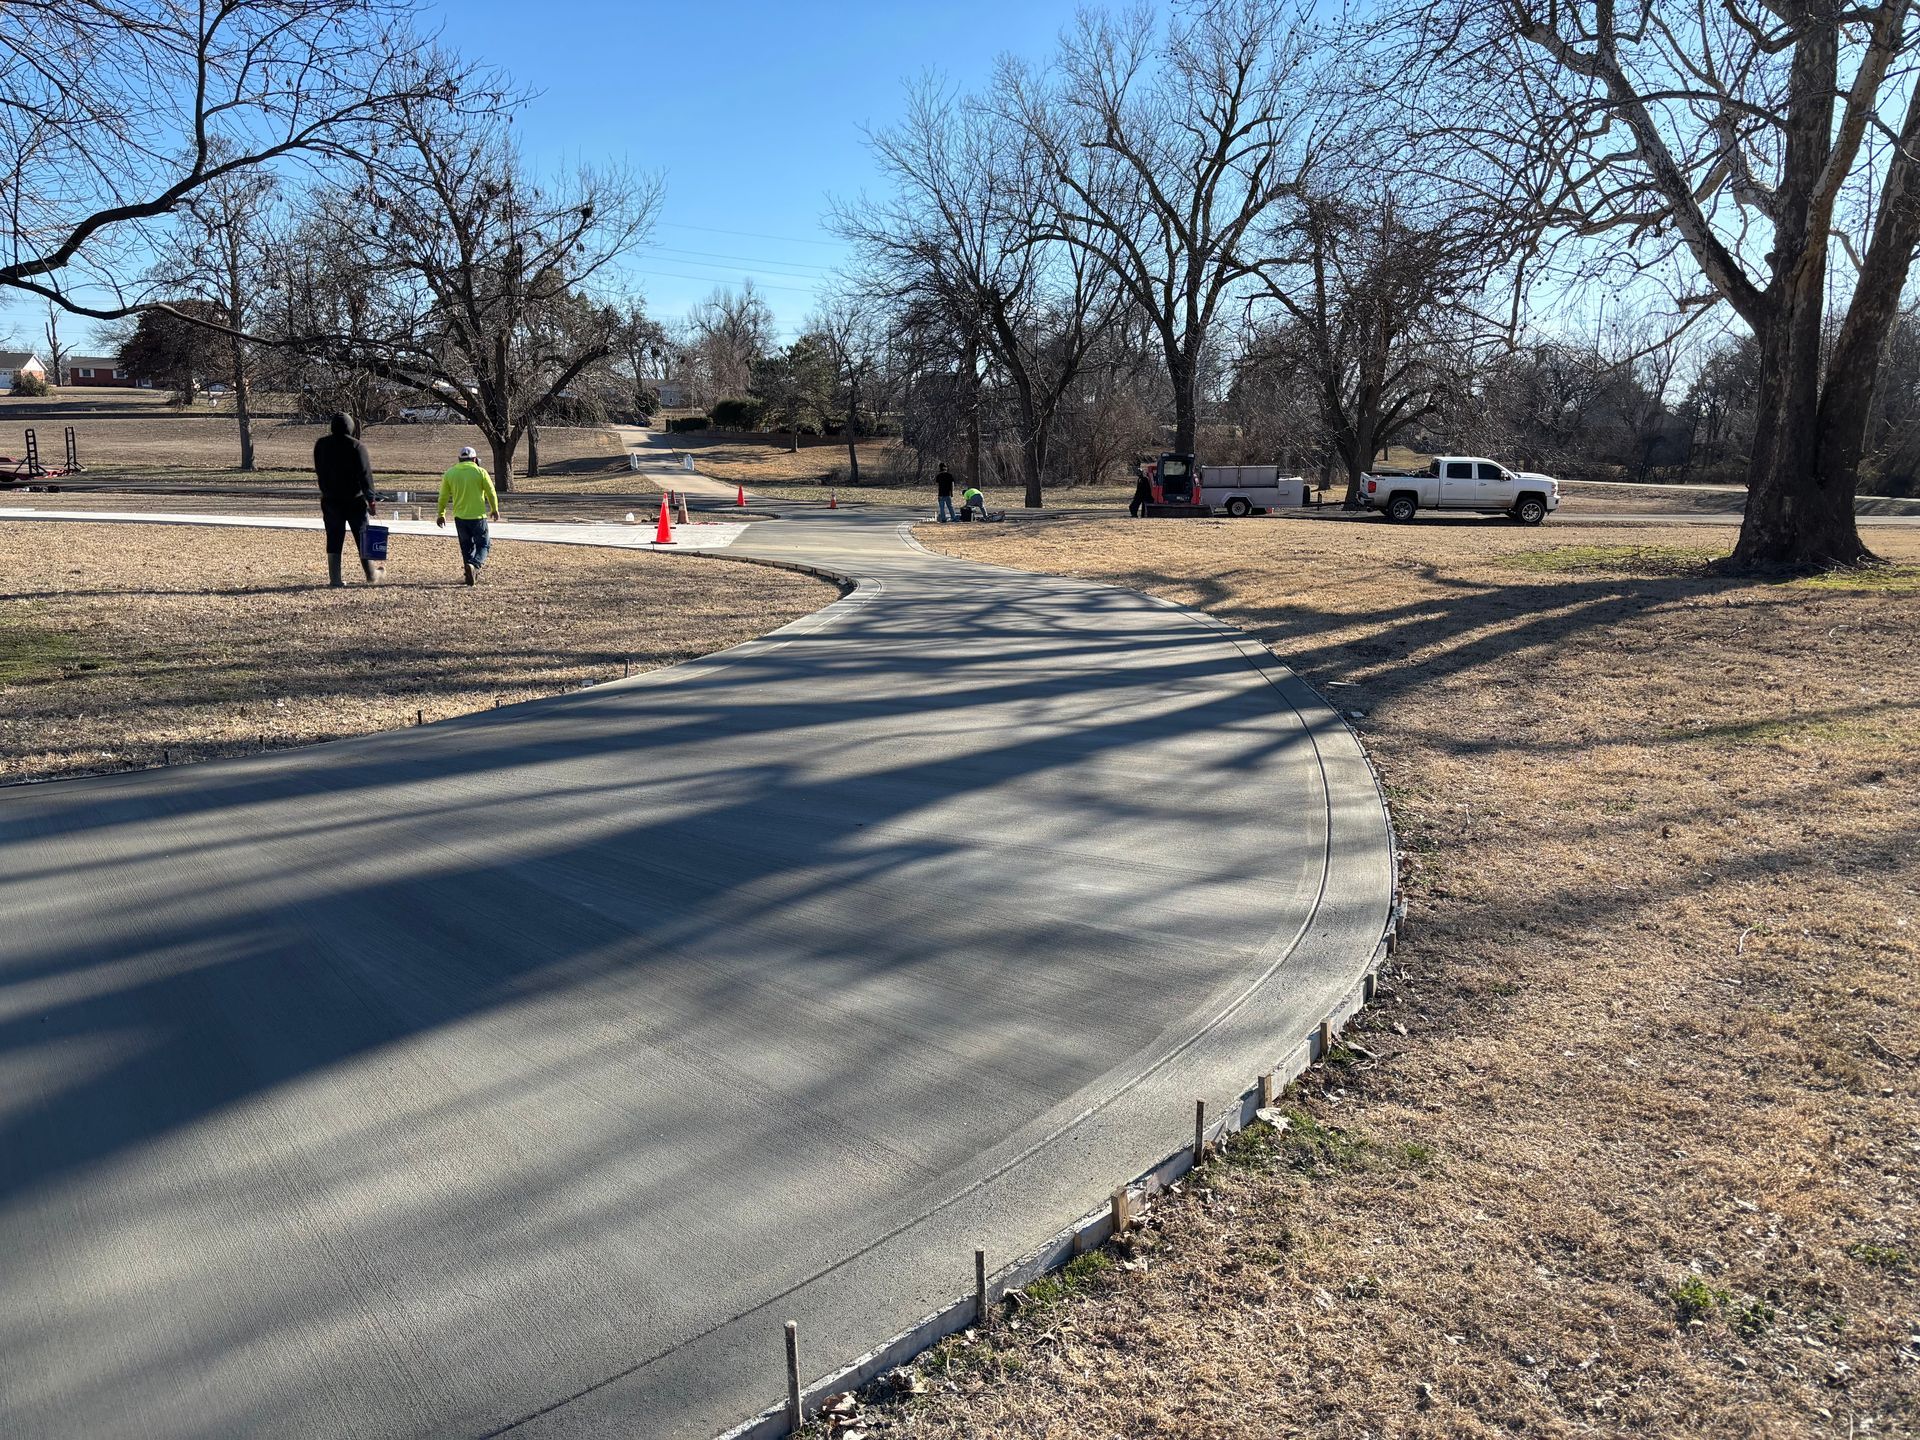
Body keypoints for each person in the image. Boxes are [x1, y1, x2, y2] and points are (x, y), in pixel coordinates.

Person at [311, 412, 380, 586]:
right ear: (351, 427)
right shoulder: (357, 447)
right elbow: (366, 476)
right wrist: (371, 499)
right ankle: (371, 574)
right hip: (354, 500)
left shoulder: (321, 445)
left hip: (330, 499)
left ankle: (335, 579)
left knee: (334, 536)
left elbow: (320, 470)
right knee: (364, 535)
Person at [436, 445, 500, 586]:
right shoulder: (480, 472)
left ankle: (469, 575)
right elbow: (491, 492)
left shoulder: (450, 473)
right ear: (475, 459)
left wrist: (441, 514)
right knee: (484, 544)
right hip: (478, 517)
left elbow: (443, 496)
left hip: (460, 517)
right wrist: (494, 508)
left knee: (466, 547)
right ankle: (474, 565)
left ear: (459, 459)